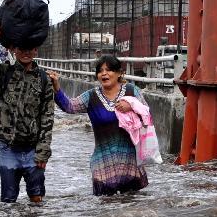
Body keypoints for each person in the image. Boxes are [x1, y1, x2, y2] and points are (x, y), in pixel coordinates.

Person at [47, 54, 148, 196]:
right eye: (100, 71)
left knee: (132, 210)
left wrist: (131, 105)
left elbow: (146, 115)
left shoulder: (132, 91)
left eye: (109, 70)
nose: (104, 73)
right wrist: (56, 87)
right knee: (104, 210)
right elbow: (69, 106)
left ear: (119, 73)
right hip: (103, 164)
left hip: (130, 163)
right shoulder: (91, 96)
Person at [0, 22, 55, 203]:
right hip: (7, 148)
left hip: (33, 149)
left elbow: (47, 117)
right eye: (21, 48)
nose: (26, 52)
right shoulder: (4, 73)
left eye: (30, 48)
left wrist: (43, 150)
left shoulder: (44, 80)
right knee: (8, 200)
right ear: (14, 50)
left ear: (36, 50)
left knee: (37, 198)